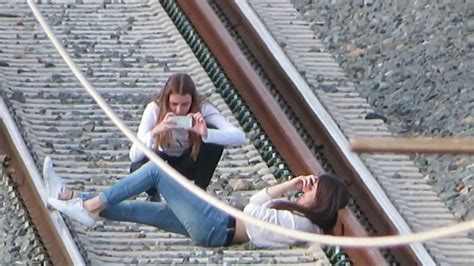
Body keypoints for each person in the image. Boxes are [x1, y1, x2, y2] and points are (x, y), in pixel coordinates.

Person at [44, 155, 349, 248]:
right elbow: (255, 203)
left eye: (311, 188)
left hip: (217, 223)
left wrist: (284, 194)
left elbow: (254, 211)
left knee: (155, 171)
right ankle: (71, 199)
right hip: (217, 224)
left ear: (321, 197)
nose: (304, 191)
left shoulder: (298, 223)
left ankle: (89, 206)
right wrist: (290, 184)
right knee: (139, 210)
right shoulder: (301, 222)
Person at [129, 73, 247, 200]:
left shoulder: (202, 108)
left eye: (185, 104)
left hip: (187, 163)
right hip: (162, 163)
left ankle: (199, 194)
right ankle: (153, 194)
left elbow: (240, 136)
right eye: (174, 104)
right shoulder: (154, 109)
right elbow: (134, 156)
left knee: (214, 140)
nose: (179, 110)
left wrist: (206, 133)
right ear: (167, 100)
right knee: (138, 166)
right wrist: (155, 132)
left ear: (192, 101)